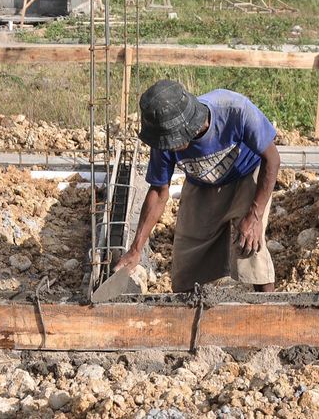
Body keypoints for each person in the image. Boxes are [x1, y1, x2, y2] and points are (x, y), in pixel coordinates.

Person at [114, 80, 279, 292]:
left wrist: (255, 216)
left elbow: (272, 159)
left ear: (189, 126)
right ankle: (190, 317)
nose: (168, 147)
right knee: (187, 264)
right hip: (201, 181)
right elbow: (158, 191)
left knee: (249, 247)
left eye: (172, 140)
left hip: (246, 175)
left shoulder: (235, 110)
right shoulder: (163, 138)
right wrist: (136, 249)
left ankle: (267, 312)